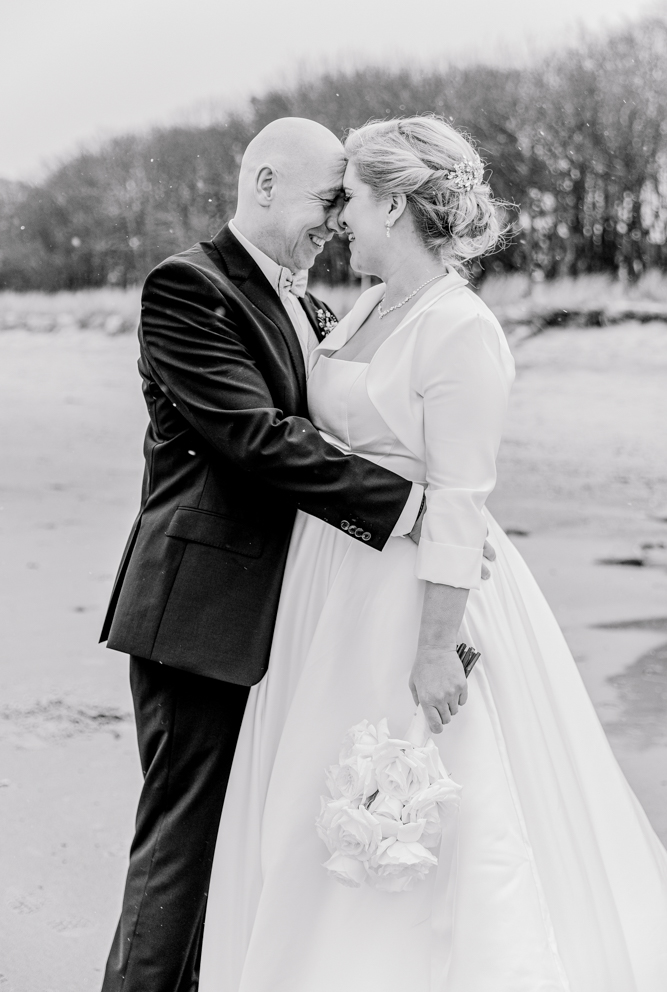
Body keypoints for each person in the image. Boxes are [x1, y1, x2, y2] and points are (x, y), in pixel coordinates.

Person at [198, 116, 667, 992]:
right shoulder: (371, 304)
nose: (341, 221)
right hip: (326, 589)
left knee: (413, 797)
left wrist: (431, 646)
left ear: (397, 204)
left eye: (354, 201)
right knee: (311, 790)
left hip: (410, 597)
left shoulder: (459, 328)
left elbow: (459, 501)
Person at [99, 117, 472, 992]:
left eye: (349, 205)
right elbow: (255, 439)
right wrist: (410, 508)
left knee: (246, 851)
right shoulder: (188, 288)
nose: (338, 222)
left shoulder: (309, 303)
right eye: (326, 200)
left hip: (291, 619)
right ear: (263, 185)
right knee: (182, 849)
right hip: (202, 611)